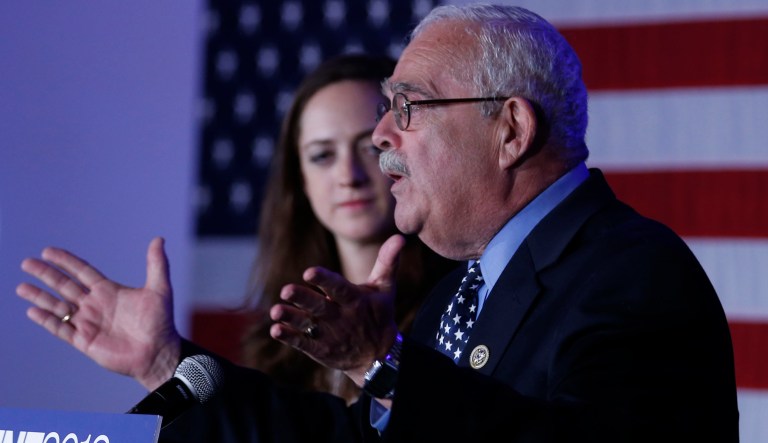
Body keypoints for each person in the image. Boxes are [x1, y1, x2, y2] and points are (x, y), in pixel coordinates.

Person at [16, 4, 739, 443]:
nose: (381, 135)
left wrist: (382, 363)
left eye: (408, 107)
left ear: (511, 130)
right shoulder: (467, 291)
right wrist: (165, 364)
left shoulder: (631, 273)